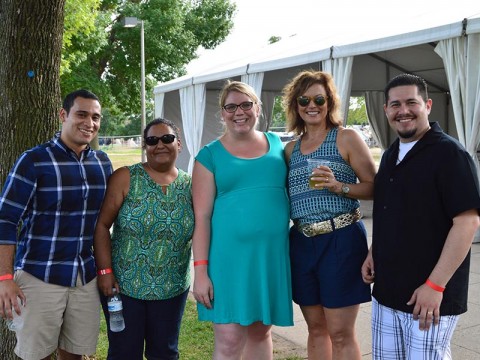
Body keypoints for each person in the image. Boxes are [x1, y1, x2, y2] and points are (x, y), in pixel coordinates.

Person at [361, 73, 480, 359]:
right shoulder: (390, 155)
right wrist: (373, 251)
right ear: (386, 110)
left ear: (427, 105)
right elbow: (390, 211)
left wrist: (435, 285)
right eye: (395, 104)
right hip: (387, 292)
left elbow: (467, 222)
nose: (403, 111)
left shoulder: (450, 154)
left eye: (411, 102)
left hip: (428, 297)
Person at [0, 89, 112, 360]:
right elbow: (5, 219)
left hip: (85, 276)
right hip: (40, 274)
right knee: (35, 355)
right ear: (63, 115)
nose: (90, 123)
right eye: (82, 114)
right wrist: (4, 278)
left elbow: (105, 222)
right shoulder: (34, 160)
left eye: (96, 117)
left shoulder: (102, 163)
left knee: (75, 353)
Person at [192, 80, 293, 359]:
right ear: (222, 113)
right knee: (229, 340)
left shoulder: (278, 147)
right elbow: (201, 218)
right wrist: (200, 272)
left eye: (246, 104)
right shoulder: (208, 155)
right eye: (231, 106)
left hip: (269, 258)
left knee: (261, 333)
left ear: (257, 108)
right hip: (227, 262)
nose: (240, 112)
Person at [282, 70, 376, 360]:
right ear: (295, 105)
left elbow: (375, 187)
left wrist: (340, 186)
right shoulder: (289, 149)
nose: (312, 105)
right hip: (301, 242)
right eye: (304, 99)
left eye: (319, 99)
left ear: (329, 102)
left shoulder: (346, 138)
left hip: (341, 239)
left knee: (340, 333)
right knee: (316, 329)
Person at [94, 118, 193, 360]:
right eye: (152, 140)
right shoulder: (125, 177)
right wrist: (105, 271)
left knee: (165, 353)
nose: (160, 144)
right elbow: (102, 225)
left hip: (172, 287)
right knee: (124, 353)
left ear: (179, 144)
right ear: (145, 146)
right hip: (125, 287)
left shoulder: (191, 185)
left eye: (167, 139)